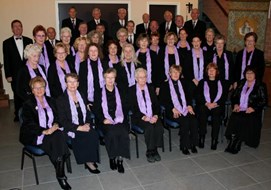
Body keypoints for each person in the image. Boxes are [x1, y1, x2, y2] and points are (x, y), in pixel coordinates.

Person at [19, 76, 71, 190]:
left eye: (41, 87)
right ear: (32, 90)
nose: (39, 90)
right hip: (36, 134)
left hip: (53, 130)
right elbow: (29, 123)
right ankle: (61, 174)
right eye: (36, 88)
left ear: (45, 87)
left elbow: (58, 117)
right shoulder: (28, 104)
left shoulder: (52, 100)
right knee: (58, 138)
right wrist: (44, 130)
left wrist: (55, 125)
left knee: (58, 135)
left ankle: (60, 172)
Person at [57, 73, 100, 174]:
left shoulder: (81, 94)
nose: (72, 84)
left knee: (93, 134)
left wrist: (88, 123)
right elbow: (62, 121)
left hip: (84, 123)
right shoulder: (61, 99)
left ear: (78, 83)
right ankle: (88, 162)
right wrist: (78, 128)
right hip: (71, 126)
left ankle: (90, 158)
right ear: (66, 84)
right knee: (83, 136)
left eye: (75, 81)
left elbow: (88, 112)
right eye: (69, 82)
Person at [94, 68, 130, 173]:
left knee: (123, 132)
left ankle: (120, 160)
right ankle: (112, 157)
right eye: (108, 77)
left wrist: (121, 116)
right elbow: (96, 109)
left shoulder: (121, 90)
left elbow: (126, 106)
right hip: (105, 120)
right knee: (111, 133)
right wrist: (103, 119)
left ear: (115, 78)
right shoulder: (99, 92)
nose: (110, 80)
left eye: (112, 77)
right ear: (104, 78)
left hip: (120, 118)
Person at [225, 66, 267, 154]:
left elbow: (263, 100)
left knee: (244, 118)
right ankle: (233, 139)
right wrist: (235, 104)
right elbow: (234, 96)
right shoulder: (241, 83)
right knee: (235, 116)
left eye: (252, 73)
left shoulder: (260, 85)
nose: (249, 75)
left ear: (255, 74)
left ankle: (238, 142)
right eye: (247, 73)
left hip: (252, 110)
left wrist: (253, 108)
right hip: (240, 108)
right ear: (245, 74)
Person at [160, 65, 198, 155]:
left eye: (178, 72)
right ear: (169, 73)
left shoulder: (184, 83)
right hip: (172, 111)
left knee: (194, 120)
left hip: (184, 108)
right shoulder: (164, 85)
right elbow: (162, 100)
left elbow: (189, 96)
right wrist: (172, 108)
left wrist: (189, 105)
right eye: (173, 72)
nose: (176, 74)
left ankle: (193, 144)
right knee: (185, 121)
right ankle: (184, 146)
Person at [129, 68, 164, 163]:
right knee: (149, 127)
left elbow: (156, 104)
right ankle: (150, 151)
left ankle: (155, 149)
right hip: (139, 117)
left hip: (152, 115)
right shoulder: (131, 90)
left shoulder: (150, 88)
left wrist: (156, 115)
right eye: (140, 77)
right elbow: (133, 108)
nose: (143, 80)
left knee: (159, 126)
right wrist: (144, 117)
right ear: (136, 78)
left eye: (145, 77)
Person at [2, 19, 32, 121]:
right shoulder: (6, 43)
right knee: (17, 93)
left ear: (22, 28)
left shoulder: (29, 41)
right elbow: (6, 60)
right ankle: (17, 114)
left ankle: (28, 112)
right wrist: (8, 75)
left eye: (20, 26)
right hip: (14, 73)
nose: (18, 28)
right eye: (15, 26)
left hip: (27, 72)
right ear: (12, 29)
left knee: (27, 92)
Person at [197, 63, 227, 150]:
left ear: (216, 72)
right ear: (207, 72)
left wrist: (215, 104)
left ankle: (214, 139)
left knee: (217, 114)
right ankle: (201, 138)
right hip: (205, 104)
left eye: (213, 70)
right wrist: (206, 103)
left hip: (217, 105)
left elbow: (224, 96)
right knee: (202, 111)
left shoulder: (222, 82)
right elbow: (198, 95)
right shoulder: (202, 82)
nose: (211, 71)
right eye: (209, 70)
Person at [78, 43, 104, 108]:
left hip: (103, 97)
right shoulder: (83, 65)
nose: (93, 53)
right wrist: (85, 101)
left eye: (95, 50)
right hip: (89, 98)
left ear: (99, 52)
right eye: (91, 51)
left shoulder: (105, 64)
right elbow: (82, 85)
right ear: (88, 53)